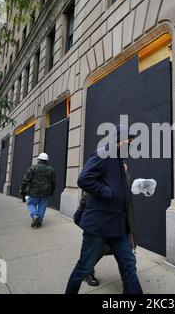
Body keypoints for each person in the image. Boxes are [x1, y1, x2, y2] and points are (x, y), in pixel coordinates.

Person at [65, 125, 142, 294]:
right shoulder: (103, 154)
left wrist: (136, 187)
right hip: (99, 226)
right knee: (84, 267)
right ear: (118, 139)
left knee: (129, 266)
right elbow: (84, 179)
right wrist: (108, 193)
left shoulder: (120, 161)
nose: (131, 145)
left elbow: (120, 189)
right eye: (129, 141)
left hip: (119, 227)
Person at [80, 163, 135, 288]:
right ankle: (87, 271)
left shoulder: (125, 175)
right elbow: (87, 197)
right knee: (98, 251)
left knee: (126, 258)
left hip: (120, 223)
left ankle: (129, 287)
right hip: (102, 224)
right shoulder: (102, 175)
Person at [20, 153, 56, 229]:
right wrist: (52, 191)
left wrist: (22, 189)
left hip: (33, 191)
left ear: (39, 159)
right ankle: (39, 222)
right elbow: (53, 182)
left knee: (31, 204)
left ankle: (35, 215)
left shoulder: (33, 168)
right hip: (46, 192)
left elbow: (25, 180)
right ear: (46, 160)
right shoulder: (51, 169)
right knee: (42, 206)